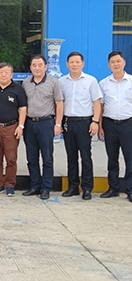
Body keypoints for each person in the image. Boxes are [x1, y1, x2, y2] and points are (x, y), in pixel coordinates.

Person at [59, 52, 102, 200]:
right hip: (68, 122)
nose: (74, 65)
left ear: (82, 64)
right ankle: (73, 187)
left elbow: (97, 102)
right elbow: (59, 103)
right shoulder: (62, 81)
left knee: (85, 156)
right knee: (71, 156)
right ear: (67, 64)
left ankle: (87, 188)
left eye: (77, 62)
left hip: (85, 122)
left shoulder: (91, 80)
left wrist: (95, 122)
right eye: (72, 62)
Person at [22, 54, 63, 200]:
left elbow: (59, 103)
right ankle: (35, 186)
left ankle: (46, 187)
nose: (37, 68)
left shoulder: (53, 82)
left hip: (46, 123)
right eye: (34, 65)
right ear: (30, 67)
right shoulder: (26, 83)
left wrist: (58, 124)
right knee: (31, 158)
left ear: (46, 66)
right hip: (29, 123)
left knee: (47, 158)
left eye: (40, 65)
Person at [0, 62, 27, 197]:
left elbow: (23, 108)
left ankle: (10, 185)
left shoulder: (18, 89)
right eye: (1, 72)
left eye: (6, 72)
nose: (3, 75)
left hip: (10, 128)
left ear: (11, 74)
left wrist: (20, 126)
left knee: (11, 159)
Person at [99, 51, 132, 203]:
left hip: (128, 124)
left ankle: (130, 189)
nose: (116, 64)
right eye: (113, 62)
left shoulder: (131, 81)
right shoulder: (103, 83)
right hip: (109, 124)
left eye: (118, 61)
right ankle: (113, 188)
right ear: (109, 65)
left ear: (124, 62)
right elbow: (100, 107)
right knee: (112, 158)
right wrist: (100, 126)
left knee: (130, 158)